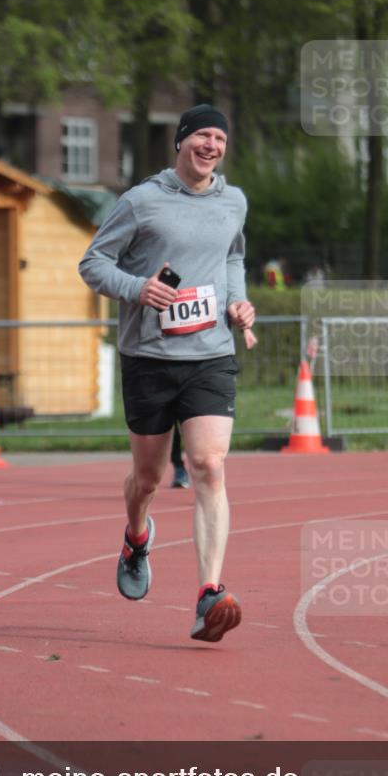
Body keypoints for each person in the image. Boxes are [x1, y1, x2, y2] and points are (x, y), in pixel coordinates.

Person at [79, 103, 255, 643]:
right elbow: (93, 263)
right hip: (150, 357)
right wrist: (139, 288)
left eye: (219, 138)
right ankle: (136, 536)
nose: (211, 146)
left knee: (208, 464)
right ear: (180, 141)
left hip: (210, 354)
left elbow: (232, 257)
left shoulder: (233, 202)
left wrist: (239, 303)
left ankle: (208, 593)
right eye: (201, 135)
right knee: (149, 479)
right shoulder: (141, 202)